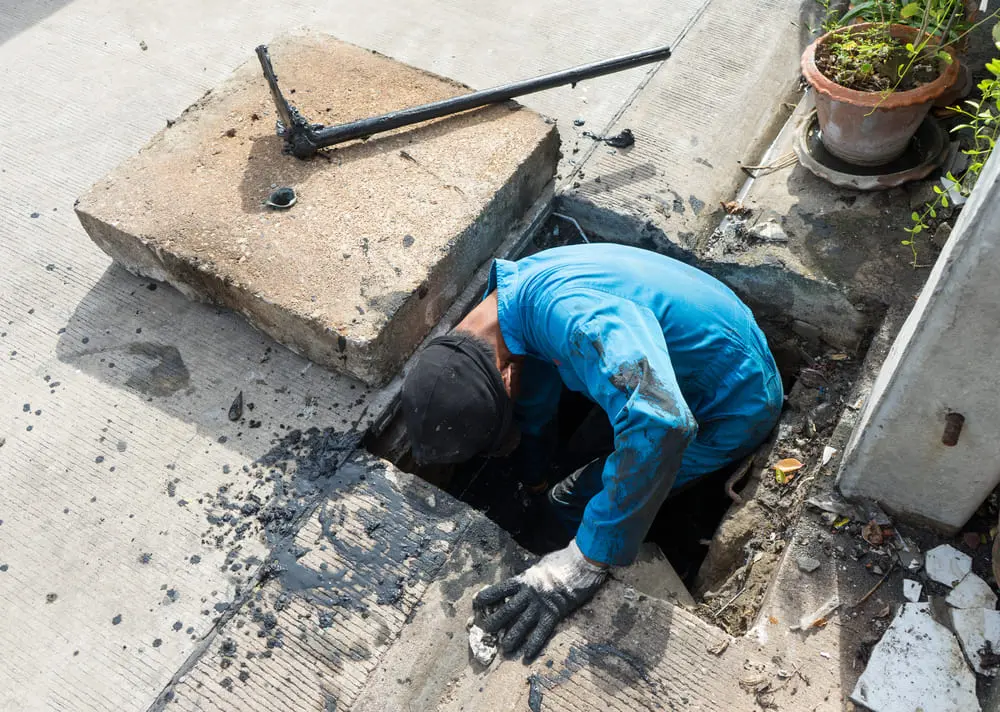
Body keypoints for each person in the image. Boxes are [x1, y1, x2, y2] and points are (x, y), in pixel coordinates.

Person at [400, 243, 783, 661]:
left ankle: (572, 541)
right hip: (689, 349)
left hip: (731, 398)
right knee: (584, 456)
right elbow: (535, 403)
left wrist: (581, 563)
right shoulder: (508, 312)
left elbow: (663, 423)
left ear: (506, 378)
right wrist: (533, 476)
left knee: (575, 498)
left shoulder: (575, 319)